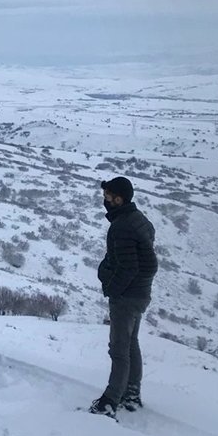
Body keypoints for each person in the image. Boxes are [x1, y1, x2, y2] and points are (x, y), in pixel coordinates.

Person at [89, 176, 157, 418]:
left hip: (126, 297)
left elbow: (128, 268)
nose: (104, 200)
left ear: (119, 199)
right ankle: (131, 393)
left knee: (119, 349)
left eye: (108, 196)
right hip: (140, 294)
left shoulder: (122, 226)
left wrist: (111, 287)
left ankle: (110, 401)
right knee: (131, 345)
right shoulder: (140, 221)